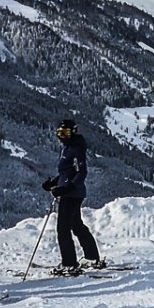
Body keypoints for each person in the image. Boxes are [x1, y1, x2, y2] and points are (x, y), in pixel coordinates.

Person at [43, 118, 105, 275]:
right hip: (70, 192)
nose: (62, 136)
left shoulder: (76, 149)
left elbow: (81, 172)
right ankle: (92, 257)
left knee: (63, 228)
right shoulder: (67, 148)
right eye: (60, 132)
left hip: (72, 194)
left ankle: (69, 263)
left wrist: (67, 188)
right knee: (76, 225)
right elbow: (66, 172)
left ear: (73, 132)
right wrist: (53, 183)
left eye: (65, 133)